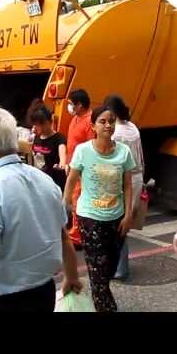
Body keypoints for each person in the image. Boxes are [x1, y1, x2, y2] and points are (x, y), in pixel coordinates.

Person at [0, 106, 82, 312]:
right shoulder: (44, 180)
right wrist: (72, 276)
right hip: (43, 292)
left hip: (1, 301)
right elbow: (63, 237)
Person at [64, 105, 136, 312]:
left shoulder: (124, 151)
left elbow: (128, 184)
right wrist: (65, 204)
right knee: (97, 273)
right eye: (102, 121)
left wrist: (128, 214)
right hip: (90, 218)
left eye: (111, 121)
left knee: (110, 268)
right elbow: (72, 179)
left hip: (117, 217)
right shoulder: (83, 151)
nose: (108, 125)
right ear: (93, 125)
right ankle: (107, 309)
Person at [103, 94, 145, 281]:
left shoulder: (116, 132)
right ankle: (120, 266)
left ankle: (119, 268)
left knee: (117, 223)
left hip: (124, 179)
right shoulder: (132, 126)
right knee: (123, 224)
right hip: (137, 176)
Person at [65, 89, 96, 248]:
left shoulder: (90, 121)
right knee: (73, 200)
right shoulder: (76, 119)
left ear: (80, 105)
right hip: (73, 167)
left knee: (78, 201)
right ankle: (76, 232)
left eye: (71, 104)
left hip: (82, 170)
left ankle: (78, 236)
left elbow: (90, 148)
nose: (69, 107)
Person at [30, 104, 67, 190]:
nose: (35, 128)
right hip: (38, 181)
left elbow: (63, 155)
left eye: (38, 125)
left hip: (54, 184)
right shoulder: (36, 137)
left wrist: (61, 165)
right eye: (34, 124)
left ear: (49, 122)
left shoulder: (59, 138)